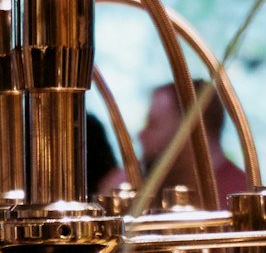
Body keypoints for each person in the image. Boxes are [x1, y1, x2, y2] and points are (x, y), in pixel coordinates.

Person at [101, 79, 250, 205]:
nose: (141, 135)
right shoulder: (148, 186)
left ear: (195, 132)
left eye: (153, 125)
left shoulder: (238, 196)